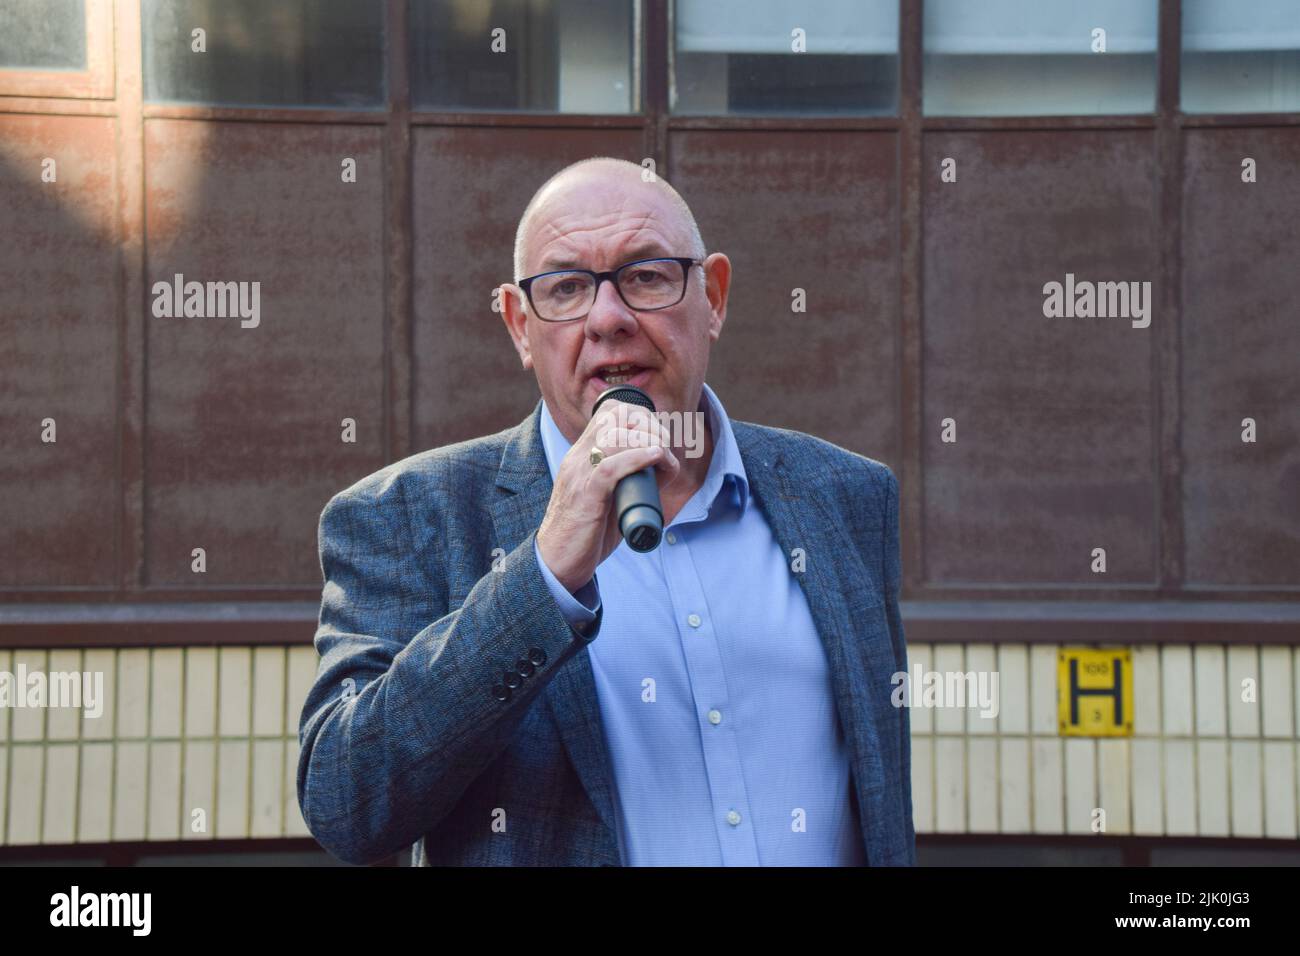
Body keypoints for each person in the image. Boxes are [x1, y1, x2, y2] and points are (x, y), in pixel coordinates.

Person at [297, 156, 914, 866]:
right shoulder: (409, 515)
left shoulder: (846, 496)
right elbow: (346, 802)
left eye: (647, 276)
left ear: (712, 295)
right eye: (566, 288)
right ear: (520, 327)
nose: (609, 319)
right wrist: (543, 576)